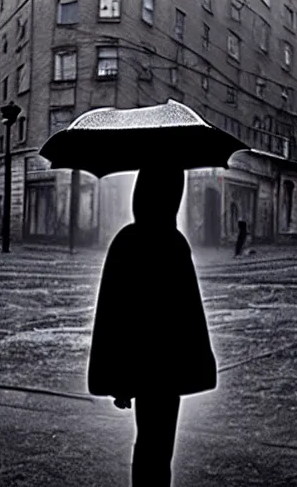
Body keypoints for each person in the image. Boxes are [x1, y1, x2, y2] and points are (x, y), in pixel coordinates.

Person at [88, 167, 217, 486]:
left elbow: (112, 316)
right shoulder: (174, 243)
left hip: (139, 364)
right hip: (168, 367)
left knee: (146, 441)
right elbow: (190, 315)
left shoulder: (126, 241)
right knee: (160, 446)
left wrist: (117, 376)